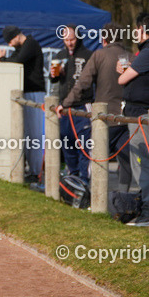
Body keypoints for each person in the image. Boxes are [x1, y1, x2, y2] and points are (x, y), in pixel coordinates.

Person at [59, 23, 132, 189]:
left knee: (95, 158)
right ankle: (124, 200)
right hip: (127, 119)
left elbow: (83, 83)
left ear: (104, 39)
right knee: (126, 162)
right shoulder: (131, 57)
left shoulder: (98, 55)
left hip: (104, 118)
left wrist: (65, 104)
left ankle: (93, 197)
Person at [0, 25, 45, 180]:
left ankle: (36, 172)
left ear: (16, 36)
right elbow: (13, 60)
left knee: (34, 132)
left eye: (9, 41)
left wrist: (1, 58)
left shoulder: (30, 44)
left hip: (35, 92)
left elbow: (17, 62)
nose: (9, 45)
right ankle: (30, 169)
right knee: (26, 133)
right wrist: (3, 60)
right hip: (26, 93)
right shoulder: (21, 47)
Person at [117, 12, 149, 226]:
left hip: (141, 115)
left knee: (142, 164)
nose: (135, 34)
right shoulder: (144, 53)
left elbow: (122, 79)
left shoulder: (147, 52)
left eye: (137, 30)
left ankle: (147, 213)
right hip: (138, 114)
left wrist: (124, 72)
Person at [51, 25, 93, 182]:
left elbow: (90, 81)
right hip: (64, 106)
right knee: (67, 143)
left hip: (82, 105)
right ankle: (72, 179)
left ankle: (85, 182)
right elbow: (53, 79)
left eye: (72, 39)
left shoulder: (88, 55)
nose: (69, 43)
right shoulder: (59, 54)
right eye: (66, 39)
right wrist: (55, 75)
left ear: (78, 37)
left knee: (84, 145)